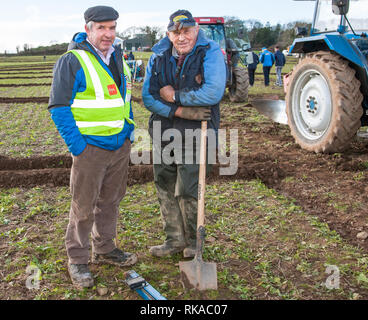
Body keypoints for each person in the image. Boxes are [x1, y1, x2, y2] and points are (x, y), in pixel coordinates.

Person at [48, 5, 137, 289]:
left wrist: (128, 131)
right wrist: (79, 147)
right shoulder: (71, 60)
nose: (108, 34)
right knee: (83, 206)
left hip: (119, 146)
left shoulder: (118, 58)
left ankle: (105, 248)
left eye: (112, 28)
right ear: (88, 29)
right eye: (102, 28)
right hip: (90, 149)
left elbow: (124, 100)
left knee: (111, 202)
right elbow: (59, 107)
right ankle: (77, 259)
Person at [142, 9, 226, 258]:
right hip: (164, 130)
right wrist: (179, 111)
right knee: (165, 185)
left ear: (196, 30)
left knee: (189, 188)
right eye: (175, 33)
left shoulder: (210, 52)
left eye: (186, 31)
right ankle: (174, 240)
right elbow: (149, 96)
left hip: (197, 133)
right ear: (168, 34)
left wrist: (174, 96)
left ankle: (193, 242)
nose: (181, 38)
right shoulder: (157, 56)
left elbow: (212, 93)